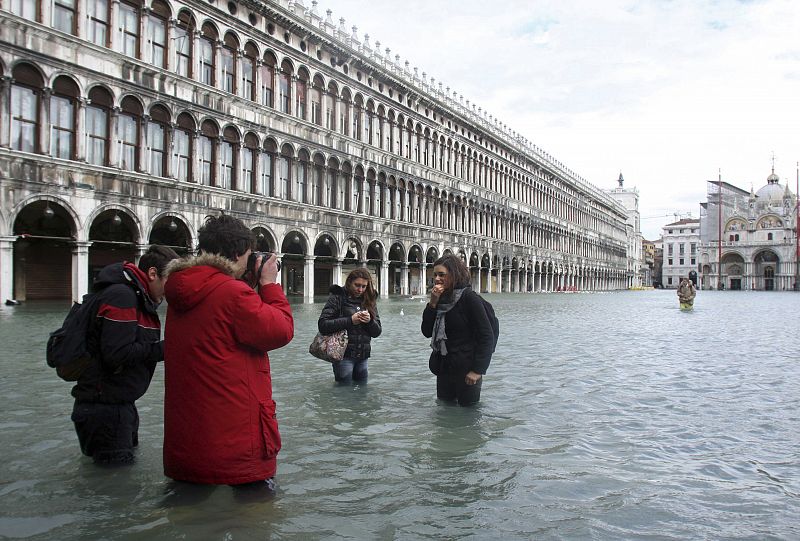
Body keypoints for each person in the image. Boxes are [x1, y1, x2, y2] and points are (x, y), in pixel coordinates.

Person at [162, 215, 293, 491]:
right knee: (255, 518)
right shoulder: (232, 294)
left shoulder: (184, 289)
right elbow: (280, 330)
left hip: (190, 441)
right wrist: (269, 284)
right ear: (237, 253)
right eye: (248, 255)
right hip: (236, 442)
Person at [70, 244, 180, 464]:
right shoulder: (123, 296)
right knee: (114, 486)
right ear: (152, 273)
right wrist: (170, 348)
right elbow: (117, 353)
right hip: (105, 410)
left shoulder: (134, 295)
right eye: (171, 281)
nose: (173, 289)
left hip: (117, 406)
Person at [421, 254, 494, 406]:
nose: (437, 279)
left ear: (454, 275)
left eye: (442, 275)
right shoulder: (439, 299)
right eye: (435, 275)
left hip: (467, 369)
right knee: (444, 411)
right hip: (444, 367)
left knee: (468, 414)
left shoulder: (469, 299)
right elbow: (426, 331)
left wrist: (477, 370)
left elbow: (487, 336)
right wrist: (432, 304)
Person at [318, 268, 382, 383]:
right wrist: (350, 320)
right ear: (349, 282)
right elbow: (323, 325)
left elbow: (377, 332)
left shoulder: (369, 300)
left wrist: (370, 321)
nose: (360, 289)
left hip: (363, 356)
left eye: (364, 286)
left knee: (362, 392)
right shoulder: (337, 297)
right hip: (343, 355)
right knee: (344, 392)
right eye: (357, 285)